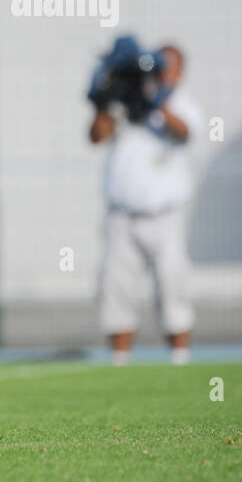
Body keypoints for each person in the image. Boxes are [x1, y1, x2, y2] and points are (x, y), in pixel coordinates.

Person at [88, 43, 202, 364]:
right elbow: (96, 136)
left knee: (172, 281)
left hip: (166, 214)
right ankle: (119, 360)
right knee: (117, 285)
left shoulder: (181, 103)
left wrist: (157, 104)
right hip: (122, 213)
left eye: (170, 66)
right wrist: (103, 99)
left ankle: (180, 356)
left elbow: (185, 131)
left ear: (180, 72)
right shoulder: (128, 100)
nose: (163, 72)